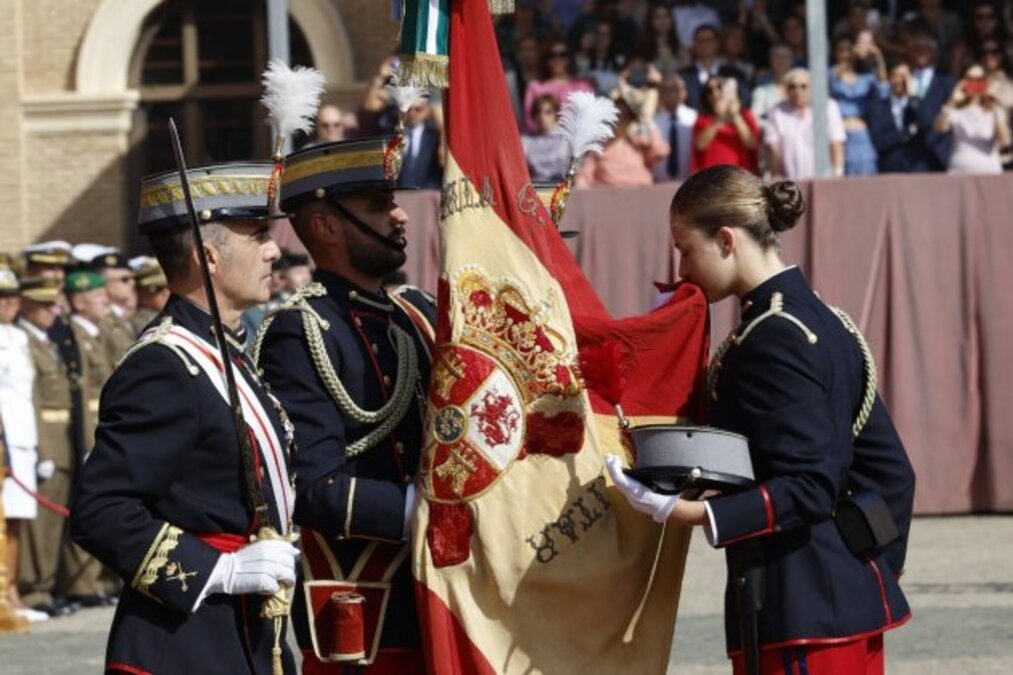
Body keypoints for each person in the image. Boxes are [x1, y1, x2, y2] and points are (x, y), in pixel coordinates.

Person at [609, 164, 915, 675]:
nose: (682, 268)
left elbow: (809, 486)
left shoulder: (771, 337)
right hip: (847, 606)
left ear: (726, 239)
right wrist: (872, 573)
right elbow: (893, 471)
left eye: (686, 249)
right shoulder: (824, 320)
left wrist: (684, 513)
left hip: (800, 610)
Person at [70, 162, 299, 674]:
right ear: (208, 256)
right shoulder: (164, 364)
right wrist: (217, 571)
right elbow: (100, 510)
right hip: (186, 640)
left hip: (245, 628)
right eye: (258, 234)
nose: (273, 249)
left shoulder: (228, 350)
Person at [252, 136, 437, 674]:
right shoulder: (300, 331)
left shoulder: (413, 314)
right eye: (379, 207)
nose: (400, 215)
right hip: (369, 611)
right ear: (327, 227)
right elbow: (314, 488)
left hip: (442, 593)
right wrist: (432, 513)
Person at [15, 275, 78, 619]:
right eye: (42, 304)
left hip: (62, 437)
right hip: (43, 440)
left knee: (53, 523)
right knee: (38, 524)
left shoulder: (44, 340)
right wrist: (40, 448)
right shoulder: (22, 338)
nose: (50, 310)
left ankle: (46, 585)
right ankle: (32, 587)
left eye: (52, 303)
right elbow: (32, 398)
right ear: (25, 304)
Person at [0, 268, 48, 623]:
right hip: (4, 440)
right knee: (4, 523)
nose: (11, 304)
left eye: (14, 297)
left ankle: (12, 591)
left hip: (23, 438)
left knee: (16, 523)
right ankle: (6, 595)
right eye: (3, 298)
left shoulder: (18, 337)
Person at [764, 68, 846, 179]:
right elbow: (773, 148)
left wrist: (838, 173)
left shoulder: (828, 107)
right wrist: (775, 175)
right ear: (786, 90)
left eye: (803, 86)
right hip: (791, 181)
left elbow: (836, 143)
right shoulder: (777, 112)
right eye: (792, 87)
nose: (798, 91)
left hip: (825, 179)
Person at [829, 33, 888, 175]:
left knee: (865, 168)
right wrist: (849, 60)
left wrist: (879, 60)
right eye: (841, 50)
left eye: (848, 50)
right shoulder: (831, 73)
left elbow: (884, 92)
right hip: (838, 132)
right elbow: (831, 83)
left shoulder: (866, 77)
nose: (845, 54)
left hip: (861, 132)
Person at [935, 65, 1011, 174]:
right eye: (969, 79)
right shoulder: (955, 110)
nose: (974, 84)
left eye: (979, 80)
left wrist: (994, 103)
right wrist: (952, 101)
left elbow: (1005, 141)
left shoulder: (994, 110)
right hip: (959, 170)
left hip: (988, 170)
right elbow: (940, 128)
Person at [690, 75, 760, 174]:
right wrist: (720, 118)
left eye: (719, 87)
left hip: (740, 176)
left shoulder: (745, 115)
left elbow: (751, 144)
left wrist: (735, 116)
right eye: (709, 90)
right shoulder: (703, 118)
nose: (715, 92)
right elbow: (700, 145)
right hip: (712, 177)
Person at [652, 73, 698, 182]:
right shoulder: (652, 121)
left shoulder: (695, 118)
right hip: (657, 185)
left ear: (685, 92)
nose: (671, 93)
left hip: (690, 183)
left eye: (675, 88)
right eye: (666, 89)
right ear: (660, 94)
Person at [522, 93, 571, 183]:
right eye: (538, 112)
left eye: (548, 112)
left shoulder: (567, 139)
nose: (542, 117)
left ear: (556, 114)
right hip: (536, 188)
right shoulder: (526, 141)